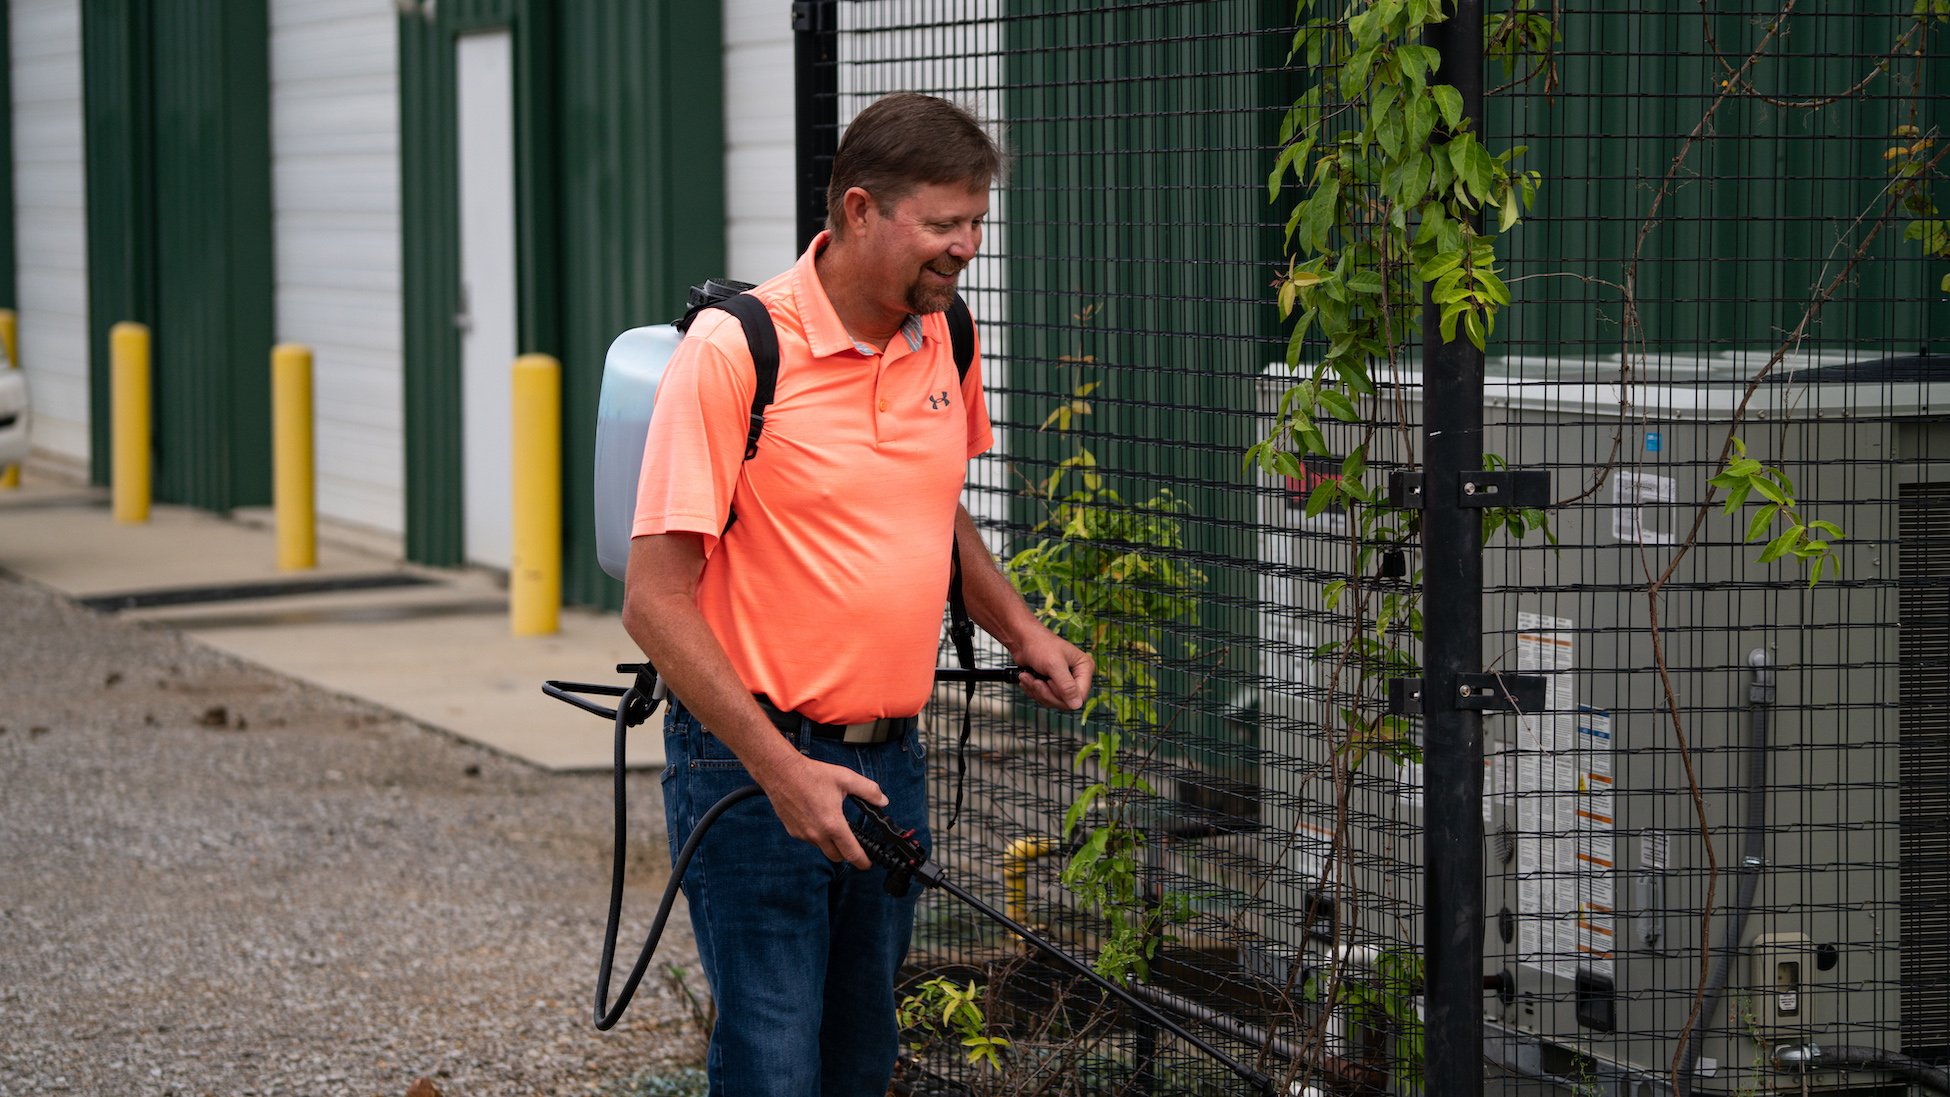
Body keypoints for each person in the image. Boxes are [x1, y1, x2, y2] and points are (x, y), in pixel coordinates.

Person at [621, 92, 1094, 1097]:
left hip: (892, 763)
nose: (965, 246)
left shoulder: (946, 335)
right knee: (773, 1055)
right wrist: (784, 769)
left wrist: (1022, 626)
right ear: (861, 210)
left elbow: (935, 506)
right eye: (943, 223)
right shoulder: (735, 351)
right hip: (752, 768)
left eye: (975, 223)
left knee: (858, 1057)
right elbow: (654, 599)